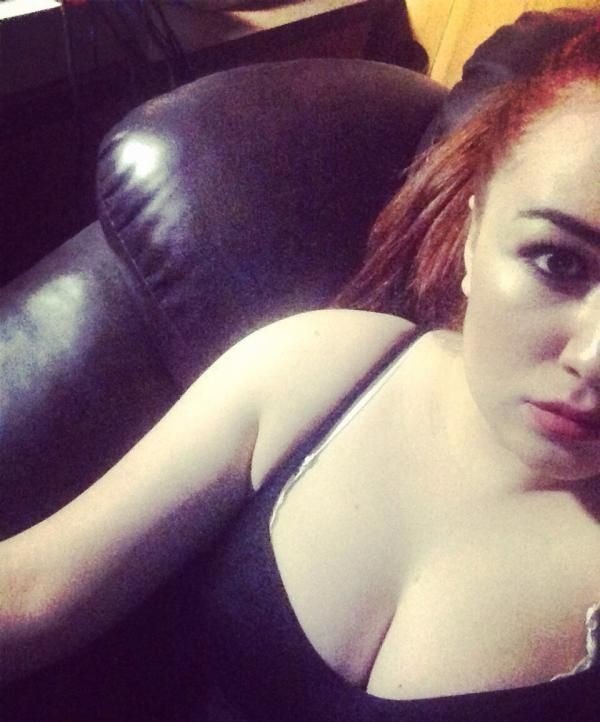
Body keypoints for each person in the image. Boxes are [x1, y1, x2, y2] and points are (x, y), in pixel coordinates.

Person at [2, 6, 600, 721]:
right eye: (557, 261)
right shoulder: (320, 368)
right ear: (473, 241)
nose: (593, 358)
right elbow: (33, 591)